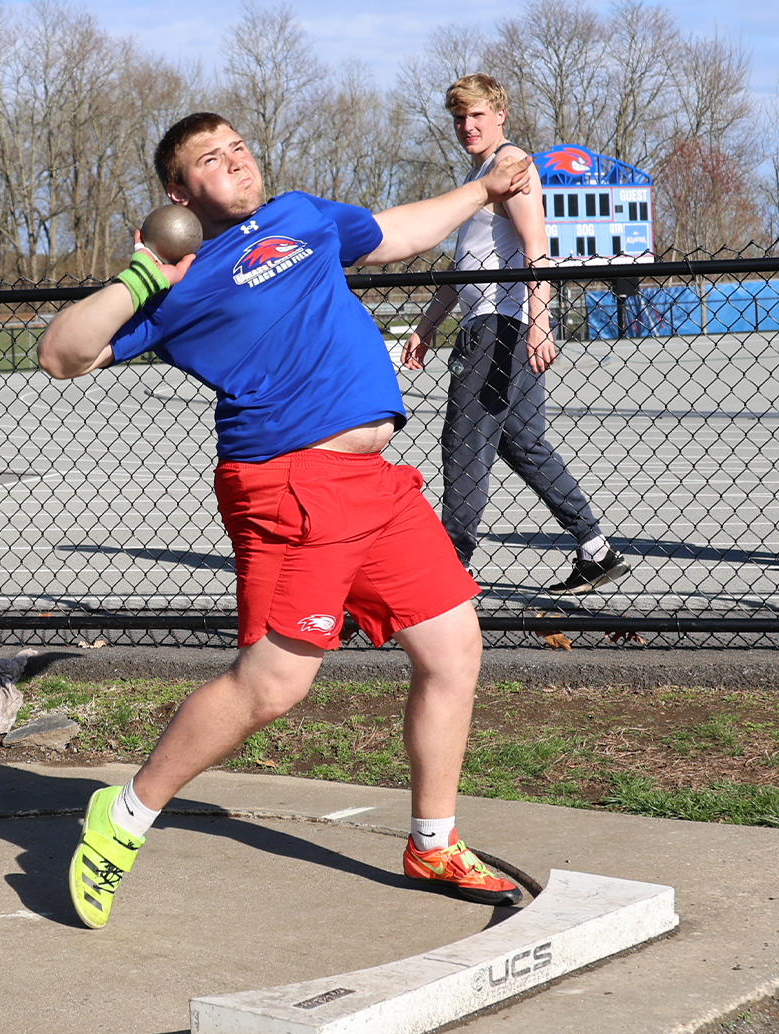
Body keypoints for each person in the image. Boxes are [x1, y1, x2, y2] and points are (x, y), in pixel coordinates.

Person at [37, 113, 532, 930]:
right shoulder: (179, 277)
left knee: (453, 645)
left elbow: (397, 234)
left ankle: (433, 841)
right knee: (274, 683)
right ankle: (122, 815)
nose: (233, 161)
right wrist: (139, 280)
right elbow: (61, 353)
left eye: (237, 147)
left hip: (373, 480)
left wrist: (482, 189)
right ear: (179, 193)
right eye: (209, 159)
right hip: (291, 481)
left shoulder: (303, 215)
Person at [402, 74, 628, 595]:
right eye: (459, 117)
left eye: (477, 115)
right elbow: (465, 270)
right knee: (523, 443)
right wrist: (425, 327)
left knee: (464, 440)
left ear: (499, 113)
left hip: (500, 329)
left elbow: (536, 248)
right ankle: (594, 549)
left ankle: (449, 567)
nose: (467, 125)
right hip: (495, 323)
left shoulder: (514, 166)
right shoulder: (480, 174)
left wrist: (539, 325)